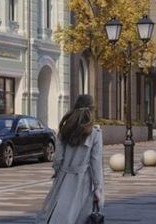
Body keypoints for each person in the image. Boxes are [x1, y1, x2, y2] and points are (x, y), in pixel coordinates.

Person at [35, 94, 105, 224]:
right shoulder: (95, 134)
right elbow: (96, 164)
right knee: (80, 216)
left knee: (57, 213)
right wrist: (98, 187)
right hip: (83, 181)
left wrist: (58, 172)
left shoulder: (65, 130)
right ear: (91, 110)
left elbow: (58, 158)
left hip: (63, 177)